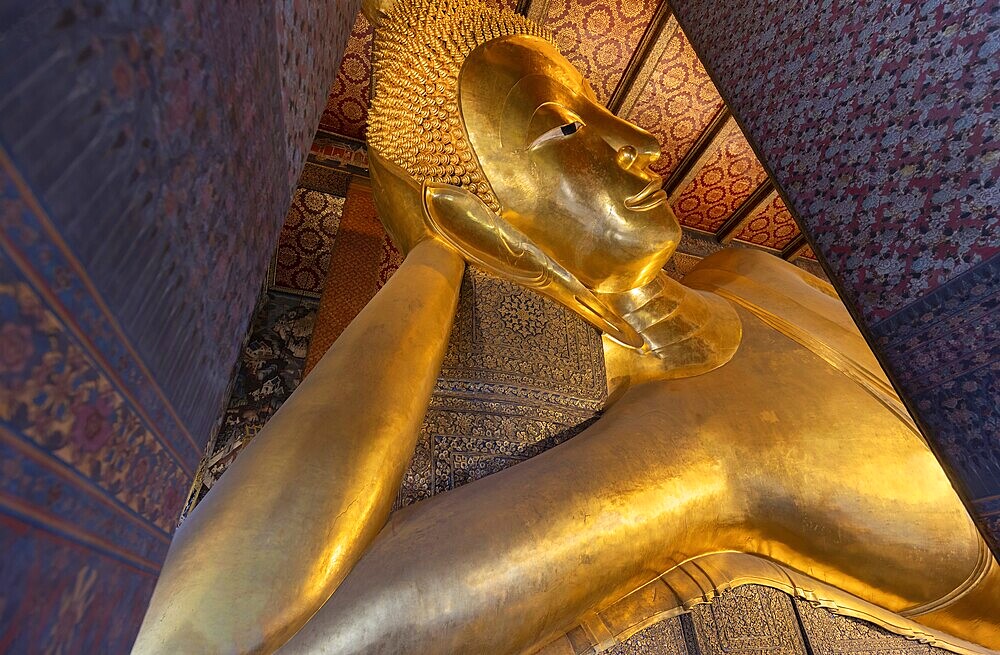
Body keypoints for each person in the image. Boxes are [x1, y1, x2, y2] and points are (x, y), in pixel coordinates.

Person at [133, 0, 1000, 653]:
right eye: (566, 127)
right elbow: (218, 630)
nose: (642, 141)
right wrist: (432, 262)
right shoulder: (691, 451)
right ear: (487, 222)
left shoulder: (756, 269)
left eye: (604, 106)